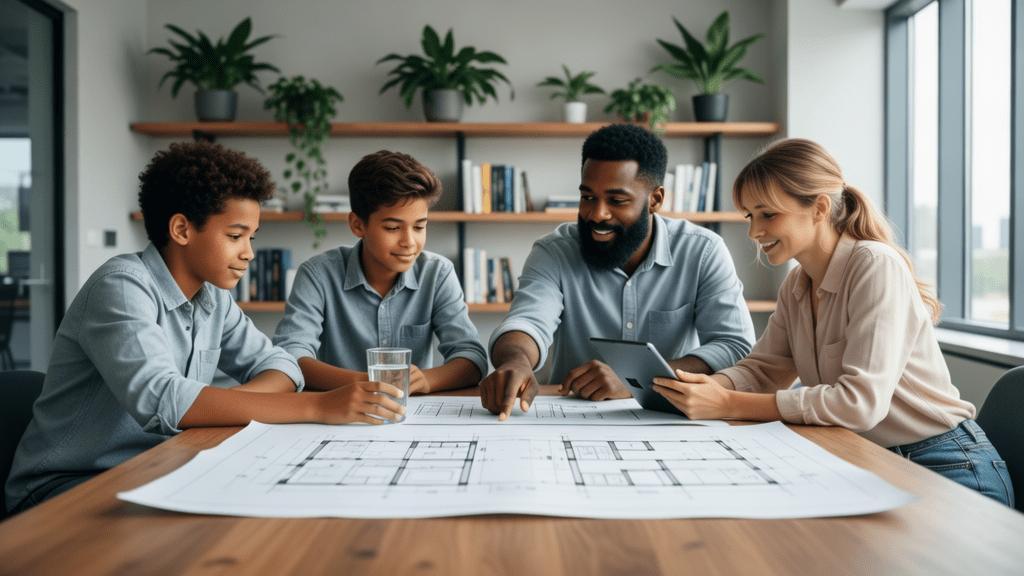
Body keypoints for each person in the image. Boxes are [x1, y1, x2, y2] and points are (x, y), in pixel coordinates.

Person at [5, 141, 406, 514]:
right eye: (235, 236)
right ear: (181, 230)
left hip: (159, 464)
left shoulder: (212, 299)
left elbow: (283, 365)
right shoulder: (122, 287)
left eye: (252, 236)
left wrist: (215, 408)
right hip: (66, 485)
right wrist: (318, 406)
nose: (248, 253)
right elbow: (165, 401)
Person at [652, 138, 1014, 507]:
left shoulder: (874, 265)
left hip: (947, 466)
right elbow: (764, 370)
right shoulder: (797, 283)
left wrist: (728, 403)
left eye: (767, 214)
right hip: (872, 459)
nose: (753, 232)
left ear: (819, 208)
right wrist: (700, 387)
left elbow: (858, 404)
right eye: (749, 216)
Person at [481, 124, 755, 419]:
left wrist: (636, 379)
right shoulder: (554, 251)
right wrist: (517, 361)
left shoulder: (703, 251)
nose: (597, 214)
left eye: (617, 201)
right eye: (587, 197)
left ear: (655, 200)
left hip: (670, 419)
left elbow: (735, 345)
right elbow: (527, 321)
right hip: (570, 419)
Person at [274, 150, 486, 394]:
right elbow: (291, 356)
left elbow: (471, 357)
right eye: (393, 227)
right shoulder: (318, 274)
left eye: (419, 227)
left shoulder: (437, 273)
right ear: (357, 225)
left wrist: (428, 380)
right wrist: (367, 382)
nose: (409, 241)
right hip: (336, 415)